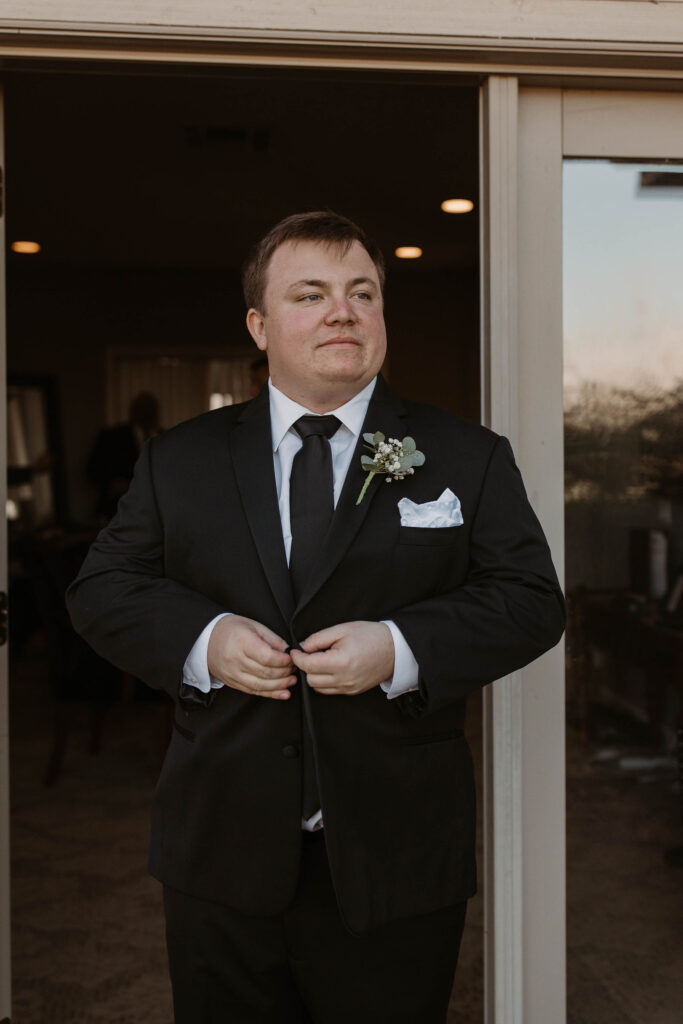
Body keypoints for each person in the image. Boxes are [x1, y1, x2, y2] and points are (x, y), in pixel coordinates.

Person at [66, 211, 565, 1023]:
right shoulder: (178, 459)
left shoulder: (466, 456)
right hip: (220, 852)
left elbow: (529, 599)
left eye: (361, 292)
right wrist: (206, 640)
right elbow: (102, 588)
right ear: (259, 326)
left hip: (396, 855)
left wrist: (400, 648)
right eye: (311, 294)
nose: (343, 311)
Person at [85, 391, 162, 520]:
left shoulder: (164, 437)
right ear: (134, 412)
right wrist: (115, 483)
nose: (149, 414)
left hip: (155, 512)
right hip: (118, 510)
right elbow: (92, 471)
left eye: (152, 410)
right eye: (145, 410)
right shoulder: (112, 437)